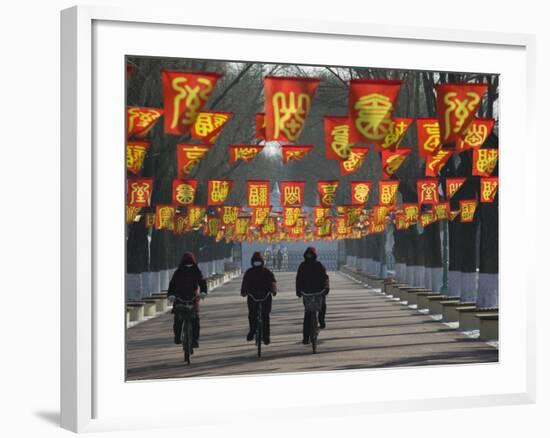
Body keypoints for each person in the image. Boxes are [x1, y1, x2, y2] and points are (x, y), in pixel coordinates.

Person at [167, 252, 207, 348]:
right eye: (186, 263)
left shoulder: (196, 271)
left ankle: (195, 340)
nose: (188, 265)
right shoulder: (179, 272)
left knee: (195, 320)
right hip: (180, 299)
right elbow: (172, 284)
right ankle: (178, 337)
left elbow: (202, 283)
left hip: (192, 299)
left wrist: (203, 292)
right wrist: (171, 295)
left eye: (190, 263)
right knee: (179, 319)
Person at [240, 251, 277, 345]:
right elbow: (245, 283)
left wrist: (273, 290)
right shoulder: (249, 272)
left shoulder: (267, 272)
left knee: (265, 316)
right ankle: (252, 332)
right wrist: (244, 292)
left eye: (259, 262)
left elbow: (272, 282)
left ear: (262, 262)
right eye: (255, 262)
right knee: (252, 315)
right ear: (252, 262)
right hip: (253, 297)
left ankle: (266, 336)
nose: (257, 263)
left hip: (265, 297)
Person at [295, 246, 330, 344]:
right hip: (307, 294)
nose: (309, 256)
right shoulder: (302, 266)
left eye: (311, 254)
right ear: (305, 255)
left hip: (319, 292)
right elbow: (299, 280)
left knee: (322, 306)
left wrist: (326, 288)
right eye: (308, 254)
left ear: (314, 255)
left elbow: (325, 278)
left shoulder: (319, 265)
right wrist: (298, 291)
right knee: (308, 314)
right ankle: (306, 337)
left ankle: (321, 321)